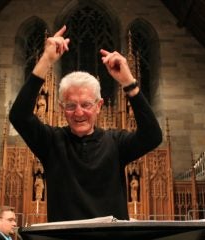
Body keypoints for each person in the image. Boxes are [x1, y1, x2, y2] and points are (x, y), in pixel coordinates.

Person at [9, 25, 162, 222]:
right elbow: (19, 116)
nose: (79, 112)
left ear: (99, 106)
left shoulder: (115, 143)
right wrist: (46, 60)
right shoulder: (51, 142)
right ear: (61, 107)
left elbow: (153, 136)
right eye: (71, 105)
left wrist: (128, 82)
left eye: (86, 104)